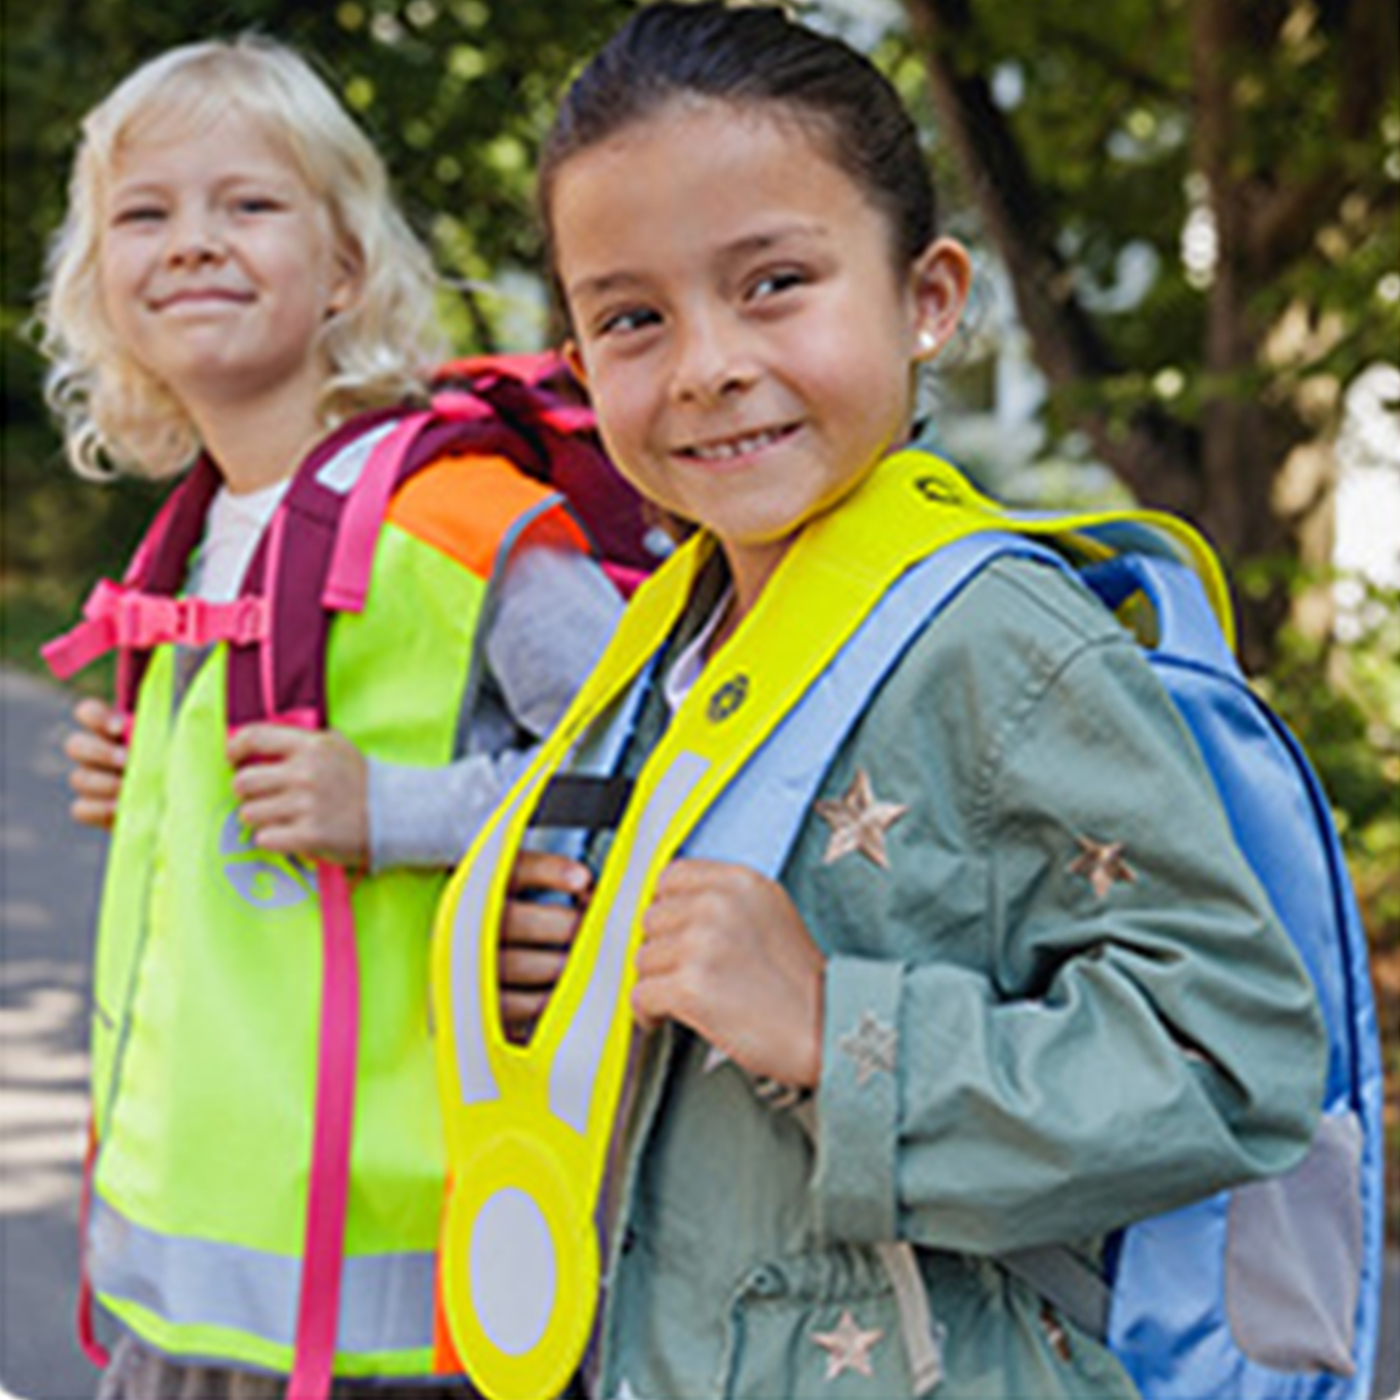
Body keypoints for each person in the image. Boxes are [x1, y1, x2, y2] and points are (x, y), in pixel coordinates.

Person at [448, 5, 1329, 1397]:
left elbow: (1236, 1052)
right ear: (575, 361)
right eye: (632, 316)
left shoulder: (996, 640)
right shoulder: (677, 629)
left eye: (775, 282)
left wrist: (833, 1031)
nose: (706, 365)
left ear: (929, 300)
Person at [37, 34, 621, 1399]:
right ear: (101, 286)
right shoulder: (183, 546)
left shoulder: (455, 519)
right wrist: (146, 775)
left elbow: (650, 763)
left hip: (400, 1321)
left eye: (248, 204)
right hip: (186, 1288)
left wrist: (395, 813)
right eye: (145, 213)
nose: (191, 240)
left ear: (346, 267)